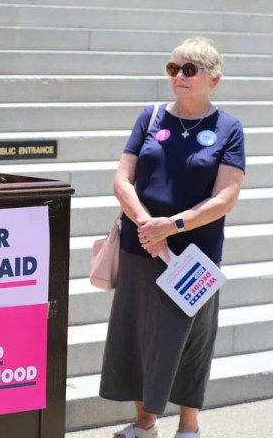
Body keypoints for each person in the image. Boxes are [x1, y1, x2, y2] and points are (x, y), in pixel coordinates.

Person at [99, 37, 245, 438]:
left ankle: (189, 425)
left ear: (213, 79)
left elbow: (226, 196)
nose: (178, 76)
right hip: (140, 245)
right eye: (173, 68)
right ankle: (145, 422)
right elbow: (122, 177)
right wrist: (147, 224)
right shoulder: (150, 117)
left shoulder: (228, 128)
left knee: (191, 340)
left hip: (193, 254)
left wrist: (173, 225)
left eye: (189, 69)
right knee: (137, 333)